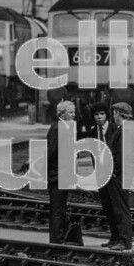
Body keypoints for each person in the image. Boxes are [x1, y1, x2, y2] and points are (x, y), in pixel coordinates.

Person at [101, 101, 134, 250]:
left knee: (121, 209)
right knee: (115, 208)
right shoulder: (124, 129)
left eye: (113, 113)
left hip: (119, 176)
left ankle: (125, 241)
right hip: (118, 175)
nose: (112, 116)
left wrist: (115, 172)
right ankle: (116, 238)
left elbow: (122, 155)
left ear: (118, 114)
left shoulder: (125, 130)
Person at [87, 102, 118, 247]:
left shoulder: (114, 129)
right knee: (106, 206)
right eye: (96, 115)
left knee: (116, 206)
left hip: (114, 174)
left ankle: (119, 237)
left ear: (107, 115)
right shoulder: (94, 131)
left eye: (102, 114)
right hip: (101, 175)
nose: (99, 117)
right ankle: (113, 237)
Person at [46, 99, 76, 244]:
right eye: (71, 112)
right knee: (57, 209)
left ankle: (59, 237)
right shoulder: (58, 128)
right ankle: (56, 240)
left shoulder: (63, 127)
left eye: (74, 112)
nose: (73, 115)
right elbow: (52, 152)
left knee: (61, 209)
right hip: (57, 175)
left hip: (62, 174)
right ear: (62, 114)